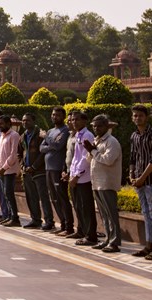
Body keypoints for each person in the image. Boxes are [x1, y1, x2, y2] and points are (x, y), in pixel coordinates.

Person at [129, 105, 152, 259]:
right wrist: (131, 175)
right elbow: (132, 157)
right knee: (145, 213)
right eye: (135, 116)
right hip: (138, 180)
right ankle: (148, 245)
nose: (137, 118)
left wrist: (142, 178)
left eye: (140, 116)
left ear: (146, 117)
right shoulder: (134, 135)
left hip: (149, 180)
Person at [87, 115, 122, 252]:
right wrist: (91, 149)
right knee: (104, 214)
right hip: (97, 181)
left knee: (111, 213)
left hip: (107, 182)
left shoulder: (111, 142)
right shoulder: (98, 140)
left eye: (99, 126)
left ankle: (114, 242)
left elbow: (108, 160)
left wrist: (93, 150)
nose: (96, 128)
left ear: (107, 126)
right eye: (94, 126)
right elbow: (90, 160)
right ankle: (108, 239)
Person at [68, 113, 98, 246]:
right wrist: (71, 173)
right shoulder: (77, 135)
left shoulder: (88, 136)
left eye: (77, 119)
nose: (74, 122)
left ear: (85, 121)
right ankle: (82, 231)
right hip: (75, 176)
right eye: (73, 119)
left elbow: (86, 158)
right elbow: (75, 157)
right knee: (78, 206)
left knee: (86, 207)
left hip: (83, 178)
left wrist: (77, 175)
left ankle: (91, 235)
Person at [42, 107, 73, 237]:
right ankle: (62, 223)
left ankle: (68, 226)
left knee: (62, 197)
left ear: (63, 116)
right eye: (54, 115)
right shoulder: (51, 131)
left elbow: (58, 146)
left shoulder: (65, 131)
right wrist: (50, 143)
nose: (55, 117)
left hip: (58, 168)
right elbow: (41, 148)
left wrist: (46, 137)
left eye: (58, 115)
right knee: (53, 198)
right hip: (48, 168)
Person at [19, 113, 51, 230]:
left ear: (33, 121)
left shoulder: (40, 135)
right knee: (31, 197)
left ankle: (49, 221)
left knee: (43, 197)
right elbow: (20, 153)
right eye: (23, 121)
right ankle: (35, 219)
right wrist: (22, 165)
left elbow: (42, 153)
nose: (25, 123)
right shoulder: (22, 136)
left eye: (27, 120)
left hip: (39, 171)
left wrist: (34, 166)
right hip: (27, 171)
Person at [0, 114, 20, 225]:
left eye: (2, 123)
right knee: (5, 193)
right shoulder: (2, 135)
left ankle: (15, 218)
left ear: (9, 124)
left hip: (10, 170)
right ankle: (8, 216)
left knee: (9, 193)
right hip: (2, 170)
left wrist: (4, 168)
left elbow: (13, 155)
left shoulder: (14, 135)